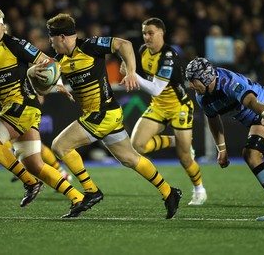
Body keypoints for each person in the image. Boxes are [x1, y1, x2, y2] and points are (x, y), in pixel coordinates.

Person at [29, 13, 182, 219]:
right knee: (130, 159)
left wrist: (130, 70)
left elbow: (125, 45)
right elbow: (42, 91)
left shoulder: (90, 46)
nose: (50, 42)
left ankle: (91, 191)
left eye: (52, 38)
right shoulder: (59, 61)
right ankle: (169, 192)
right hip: (108, 114)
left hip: (102, 114)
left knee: (59, 146)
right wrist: (33, 75)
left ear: (62, 37)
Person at [0, 6, 95, 217]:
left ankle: (31, 185)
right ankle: (76, 197)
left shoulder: (15, 44)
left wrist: (53, 82)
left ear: (3, 26)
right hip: (16, 110)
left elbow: (47, 62)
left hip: (22, 106)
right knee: (34, 164)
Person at [185, 57, 264, 221]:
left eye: (193, 80)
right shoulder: (201, 96)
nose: (190, 85)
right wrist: (222, 149)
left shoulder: (229, 82)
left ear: (205, 78)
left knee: (251, 153)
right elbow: (213, 119)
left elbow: (251, 101)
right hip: (258, 118)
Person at [127, 17, 207, 205]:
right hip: (158, 106)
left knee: (184, 157)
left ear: (161, 33)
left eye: (151, 33)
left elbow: (155, 88)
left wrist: (133, 75)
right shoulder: (143, 51)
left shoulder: (168, 56)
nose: (147, 37)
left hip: (179, 107)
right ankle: (174, 140)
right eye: (144, 33)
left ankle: (199, 189)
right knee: (137, 146)